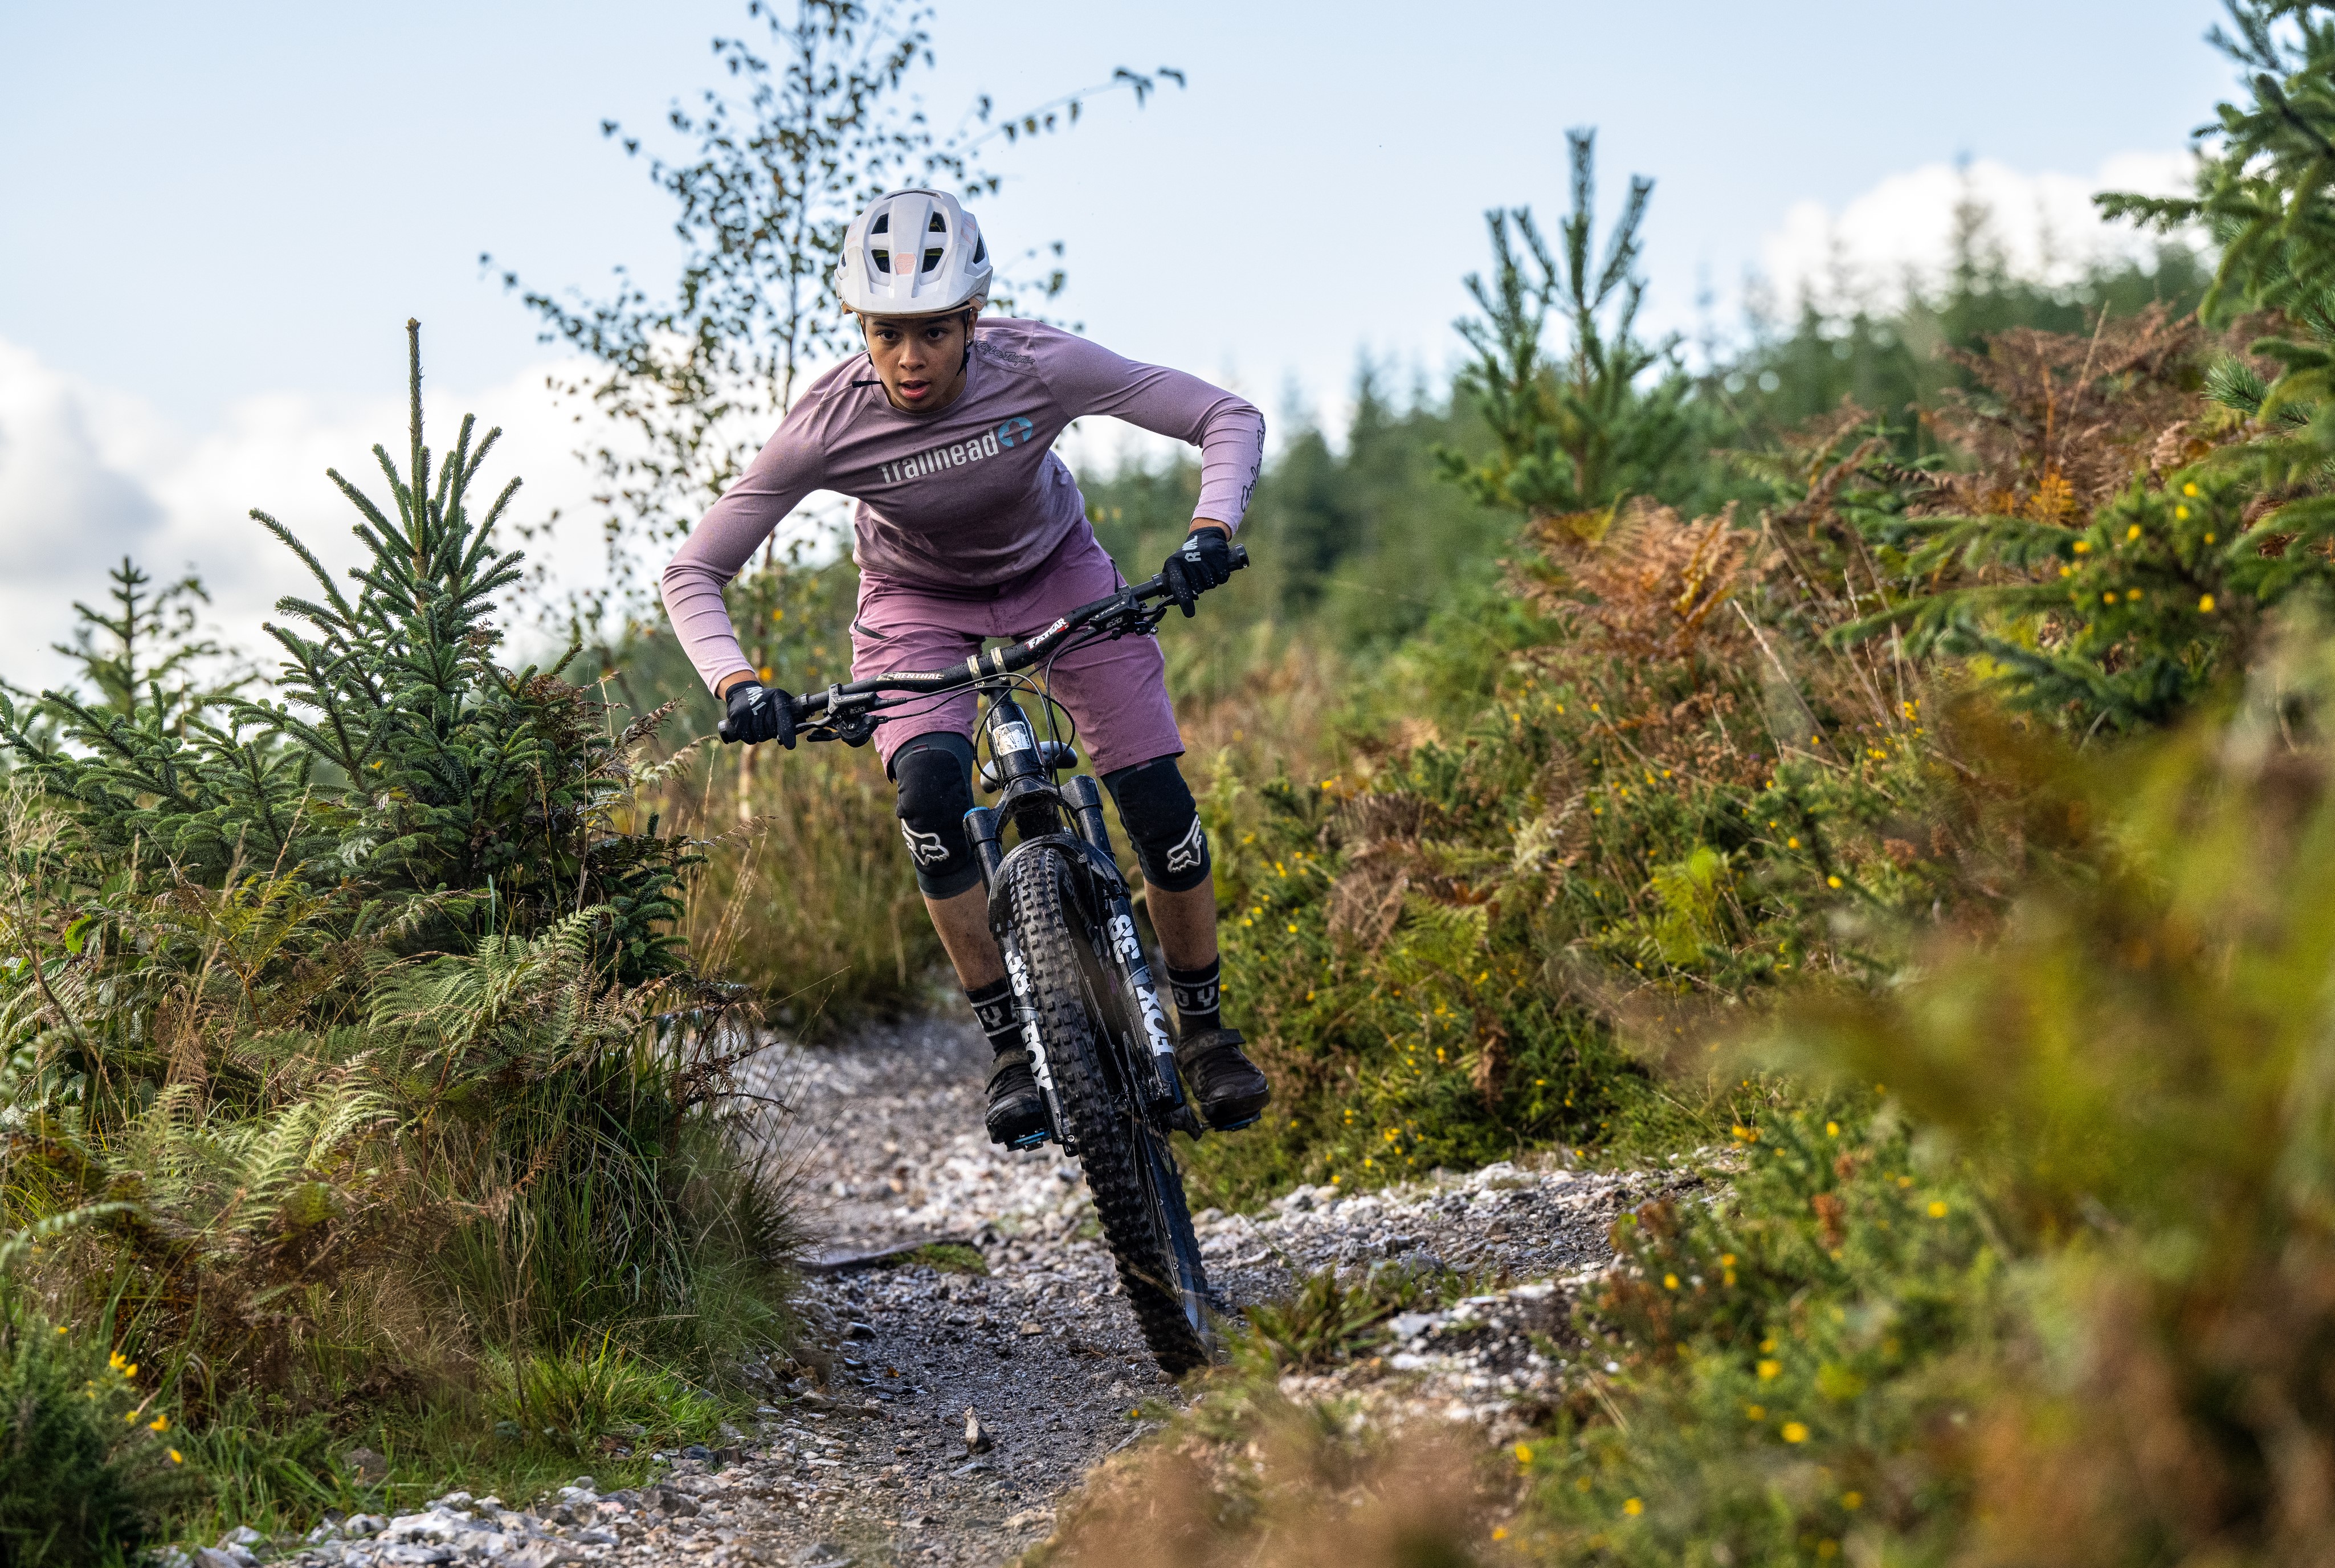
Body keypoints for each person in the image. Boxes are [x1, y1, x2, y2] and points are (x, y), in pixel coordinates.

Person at [660, 187, 1272, 1149]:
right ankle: (1012, 1054)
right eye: (887, 333)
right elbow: (695, 568)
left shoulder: (1040, 366)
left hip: (1060, 577)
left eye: (935, 333)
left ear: (973, 320)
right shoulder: (827, 422)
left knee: (1154, 799)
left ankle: (1203, 1034)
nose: (910, 359)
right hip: (915, 609)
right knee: (932, 794)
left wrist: (1209, 530)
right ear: (860, 326)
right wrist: (735, 685)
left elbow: (1224, 417)